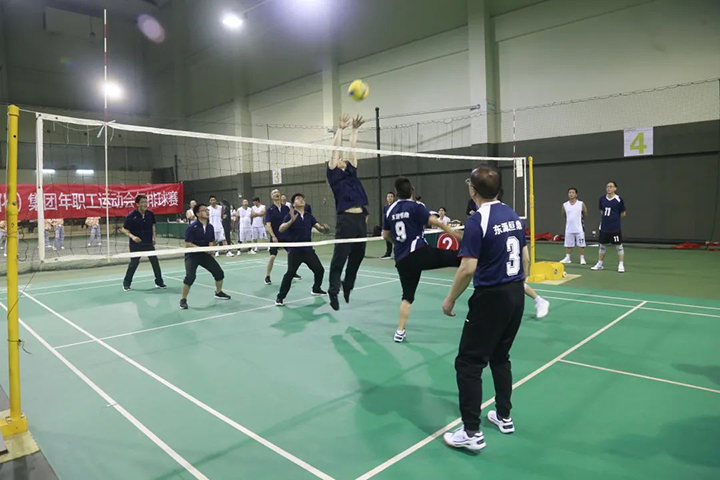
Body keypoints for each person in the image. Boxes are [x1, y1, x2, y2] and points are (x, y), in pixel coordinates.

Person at [442, 166, 528, 452]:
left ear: (473, 190)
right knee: (500, 357)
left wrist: (450, 299)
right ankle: (504, 416)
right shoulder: (513, 215)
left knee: (468, 363)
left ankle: (471, 432)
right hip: (515, 294)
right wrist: (519, 283)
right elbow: (524, 254)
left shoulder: (478, 220)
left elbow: (468, 268)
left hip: (491, 298)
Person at [383, 177, 462, 343]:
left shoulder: (389, 210)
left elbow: (385, 235)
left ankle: (400, 331)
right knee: (457, 257)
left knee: (407, 296)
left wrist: (397, 243)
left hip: (402, 259)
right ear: (412, 190)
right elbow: (434, 220)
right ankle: (487, 269)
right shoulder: (416, 206)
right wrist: (454, 233)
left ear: (396, 193)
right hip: (418, 253)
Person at [327, 113, 368, 310]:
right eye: (339, 159)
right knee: (340, 258)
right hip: (345, 220)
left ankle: (348, 285)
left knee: (358, 256)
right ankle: (333, 291)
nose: (342, 159)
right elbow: (336, 150)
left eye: (343, 159)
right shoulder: (334, 176)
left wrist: (355, 129)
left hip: (360, 219)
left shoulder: (352, 173)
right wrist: (340, 129)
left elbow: (352, 149)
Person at [275, 193, 330, 306]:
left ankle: (316, 289)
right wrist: (291, 221)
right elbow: (281, 229)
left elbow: (319, 228)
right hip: (295, 251)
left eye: (302, 199)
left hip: (308, 250)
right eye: (298, 199)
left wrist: (325, 229)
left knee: (319, 270)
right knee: (290, 274)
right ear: (293, 204)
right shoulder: (290, 215)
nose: (301, 200)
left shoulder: (309, 216)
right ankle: (280, 298)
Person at [180, 203, 231, 309]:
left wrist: (210, 249)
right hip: (192, 255)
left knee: (219, 273)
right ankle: (183, 299)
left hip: (204, 255)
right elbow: (188, 243)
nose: (207, 212)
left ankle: (218, 292)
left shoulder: (210, 227)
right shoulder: (192, 227)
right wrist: (201, 249)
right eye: (204, 210)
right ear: (198, 214)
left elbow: (211, 241)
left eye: (207, 210)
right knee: (190, 277)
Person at [121, 195, 166, 291]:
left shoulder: (150, 214)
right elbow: (124, 229)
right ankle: (126, 283)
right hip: (136, 244)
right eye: (142, 202)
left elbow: (153, 226)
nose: (145, 204)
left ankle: (159, 282)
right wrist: (133, 237)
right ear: (137, 204)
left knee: (155, 262)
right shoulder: (131, 215)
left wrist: (154, 237)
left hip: (148, 243)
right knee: (133, 264)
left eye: (146, 202)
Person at [592, 181, 627, 273]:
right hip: (604, 227)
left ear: (615, 188)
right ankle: (600, 264)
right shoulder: (602, 199)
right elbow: (601, 211)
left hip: (615, 228)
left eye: (611, 186)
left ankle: (621, 265)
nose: (609, 188)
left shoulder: (618, 200)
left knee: (618, 246)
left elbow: (623, 213)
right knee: (602, 246)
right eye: (607, 186)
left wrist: (614, 218)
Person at [264, 189, 290, 285]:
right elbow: (268, 225)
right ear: (272, 197)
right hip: (276, 236)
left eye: (277, 192)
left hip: (286, 236)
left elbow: (290, 221)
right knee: (272, 256)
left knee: (292, 254)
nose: (276, 194)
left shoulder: (286, 208)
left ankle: (292, 272)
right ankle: (267, 276)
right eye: (274, 193)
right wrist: (273, 236)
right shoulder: (270, 210)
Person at [560, 187, 587, 265]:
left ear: (576, 194)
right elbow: (564, 215)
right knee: (568, 244)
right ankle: (567, 258)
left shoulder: (581, 204)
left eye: (573, 193)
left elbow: (585, 213)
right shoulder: (565, 205)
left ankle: (582, 258)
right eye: (569, 193)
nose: (571, 194)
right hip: (569, 228)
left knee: (581, 244)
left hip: (579, 228)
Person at [380, 191, 396, 259]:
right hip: (388, 227)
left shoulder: (395, 206)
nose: (390, 198)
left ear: (394, 198)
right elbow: (385, 217)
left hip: (394, 226)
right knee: (388, 239)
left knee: (396, 240)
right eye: (388, 196)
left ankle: (397, 254)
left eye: (391, 196)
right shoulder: (385, 206)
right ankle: (388, 254)